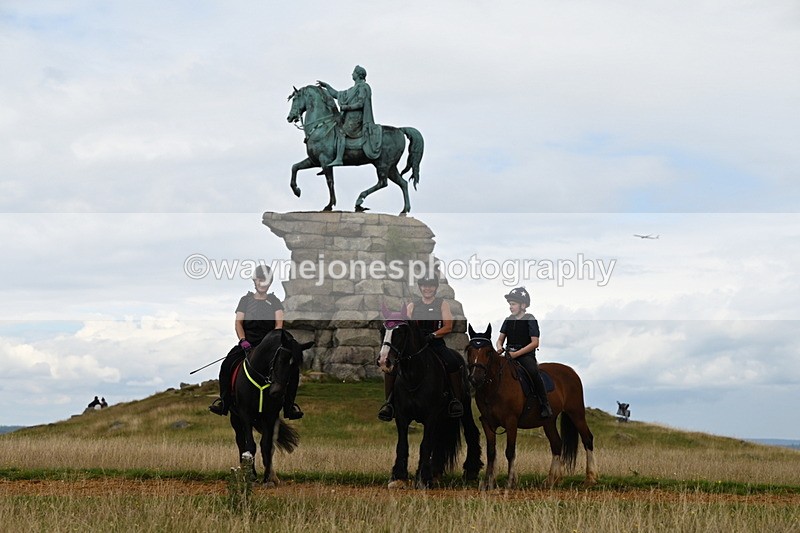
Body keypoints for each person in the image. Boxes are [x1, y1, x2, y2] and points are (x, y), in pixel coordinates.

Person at [209, 265, 303, 419]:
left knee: (292, 370)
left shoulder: (275, 302)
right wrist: (243, 340)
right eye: (260, 280)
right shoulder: (245, 301)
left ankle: (289, 407)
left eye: (266, 281)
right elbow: (238, 323)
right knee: (226, 365)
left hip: (269, 347)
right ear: (255, 281)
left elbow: (278, 325)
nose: (262, 284)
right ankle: (224, 402)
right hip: (247, 344)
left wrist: (273, 343)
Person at [378, 273, 465, 421]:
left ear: (435, 287)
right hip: (416, 346)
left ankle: (455, 400)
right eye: (424, 286)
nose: (427, 289)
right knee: (393, 367)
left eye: (431, 286)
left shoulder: (442, 304)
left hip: (435, 343)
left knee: (453, 362)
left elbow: (448, 327)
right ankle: (389, 403)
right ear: (420, 288)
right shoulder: (412, 306)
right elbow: (407, 327)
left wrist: (432, 335)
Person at [495, 287, 553, 418]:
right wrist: (499, 347)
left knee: (533, 372)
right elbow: (499, 340)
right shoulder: (508, 320)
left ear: (523, 305)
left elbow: (535, 343)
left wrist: (517, 354)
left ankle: (545, 404)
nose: (510, 307)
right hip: (509, 355)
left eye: (513, 304)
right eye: (510, 304)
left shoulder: (530, 319)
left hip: (525, 355)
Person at [317, 65, 381, 167]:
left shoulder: (363, 87)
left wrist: (346, 107)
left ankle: (339, 159)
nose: (352, 74)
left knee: (341, 132)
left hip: (356, 119)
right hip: (348, 118)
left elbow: (360, 104)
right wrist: (327, 86)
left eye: (354, 72)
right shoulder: (352, 89)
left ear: (358, 75)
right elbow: (337, 94)